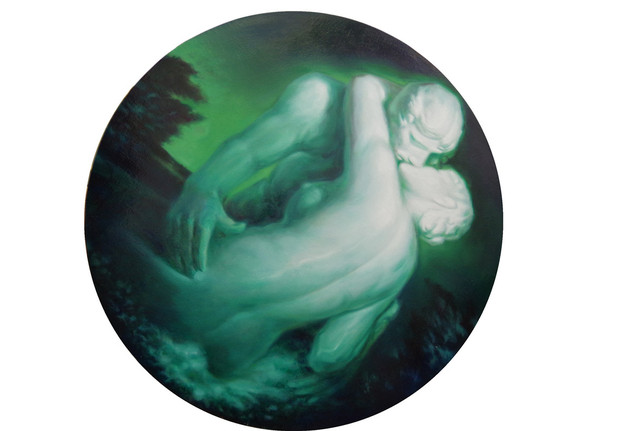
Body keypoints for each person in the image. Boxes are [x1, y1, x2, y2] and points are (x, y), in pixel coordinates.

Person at [159, 73, 473, 377]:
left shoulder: (378, 183)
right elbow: (328, 356)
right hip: (241, 347)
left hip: (203, 281)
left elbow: (365, 85)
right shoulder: (323, 106)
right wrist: (204, 187)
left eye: (437, 158)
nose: (420, 161)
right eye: (418, 141)